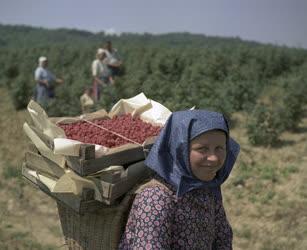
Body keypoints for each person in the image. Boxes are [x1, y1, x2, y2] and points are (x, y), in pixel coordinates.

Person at [119, 110, 240, 249]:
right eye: (202, 149)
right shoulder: (155, 199)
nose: (213, 158)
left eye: (220, 148)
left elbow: (223, 240)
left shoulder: (207, 190)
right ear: (179, 149)